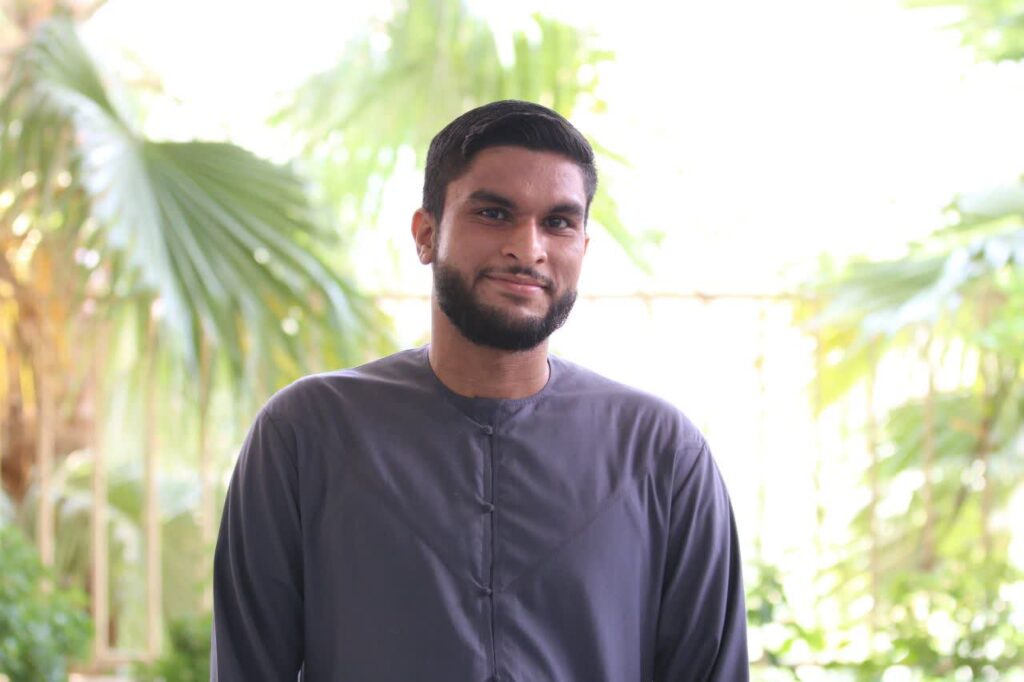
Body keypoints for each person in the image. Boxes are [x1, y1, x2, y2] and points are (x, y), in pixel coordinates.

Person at [211, 100, 749, 681]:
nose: (528, 248)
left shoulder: (661, 453)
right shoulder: (307, 433)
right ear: (426, 235)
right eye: (494, 213)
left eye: (559, 223)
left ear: (582, 249)